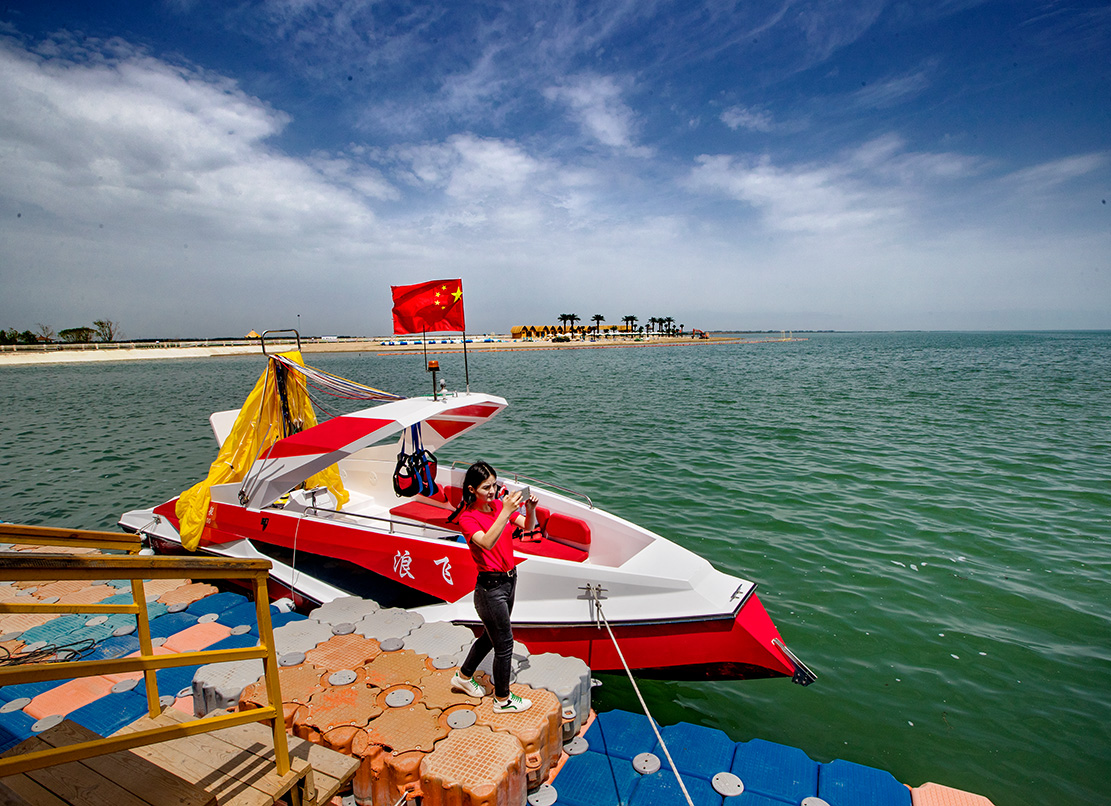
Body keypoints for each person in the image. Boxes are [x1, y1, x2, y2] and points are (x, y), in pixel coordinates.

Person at [448, 461, 537, 713]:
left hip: (509, 580)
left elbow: (528, 527)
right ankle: (502, 700)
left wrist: (530, 510)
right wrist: (505, 512)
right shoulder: (468, 518)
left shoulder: (498, 505)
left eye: (495, 485)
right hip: (490, 589)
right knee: (504, 643)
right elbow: (486, 542)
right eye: (486, 487)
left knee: (490, 636)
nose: (492, 491)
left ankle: (463, 677)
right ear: (472, 489)